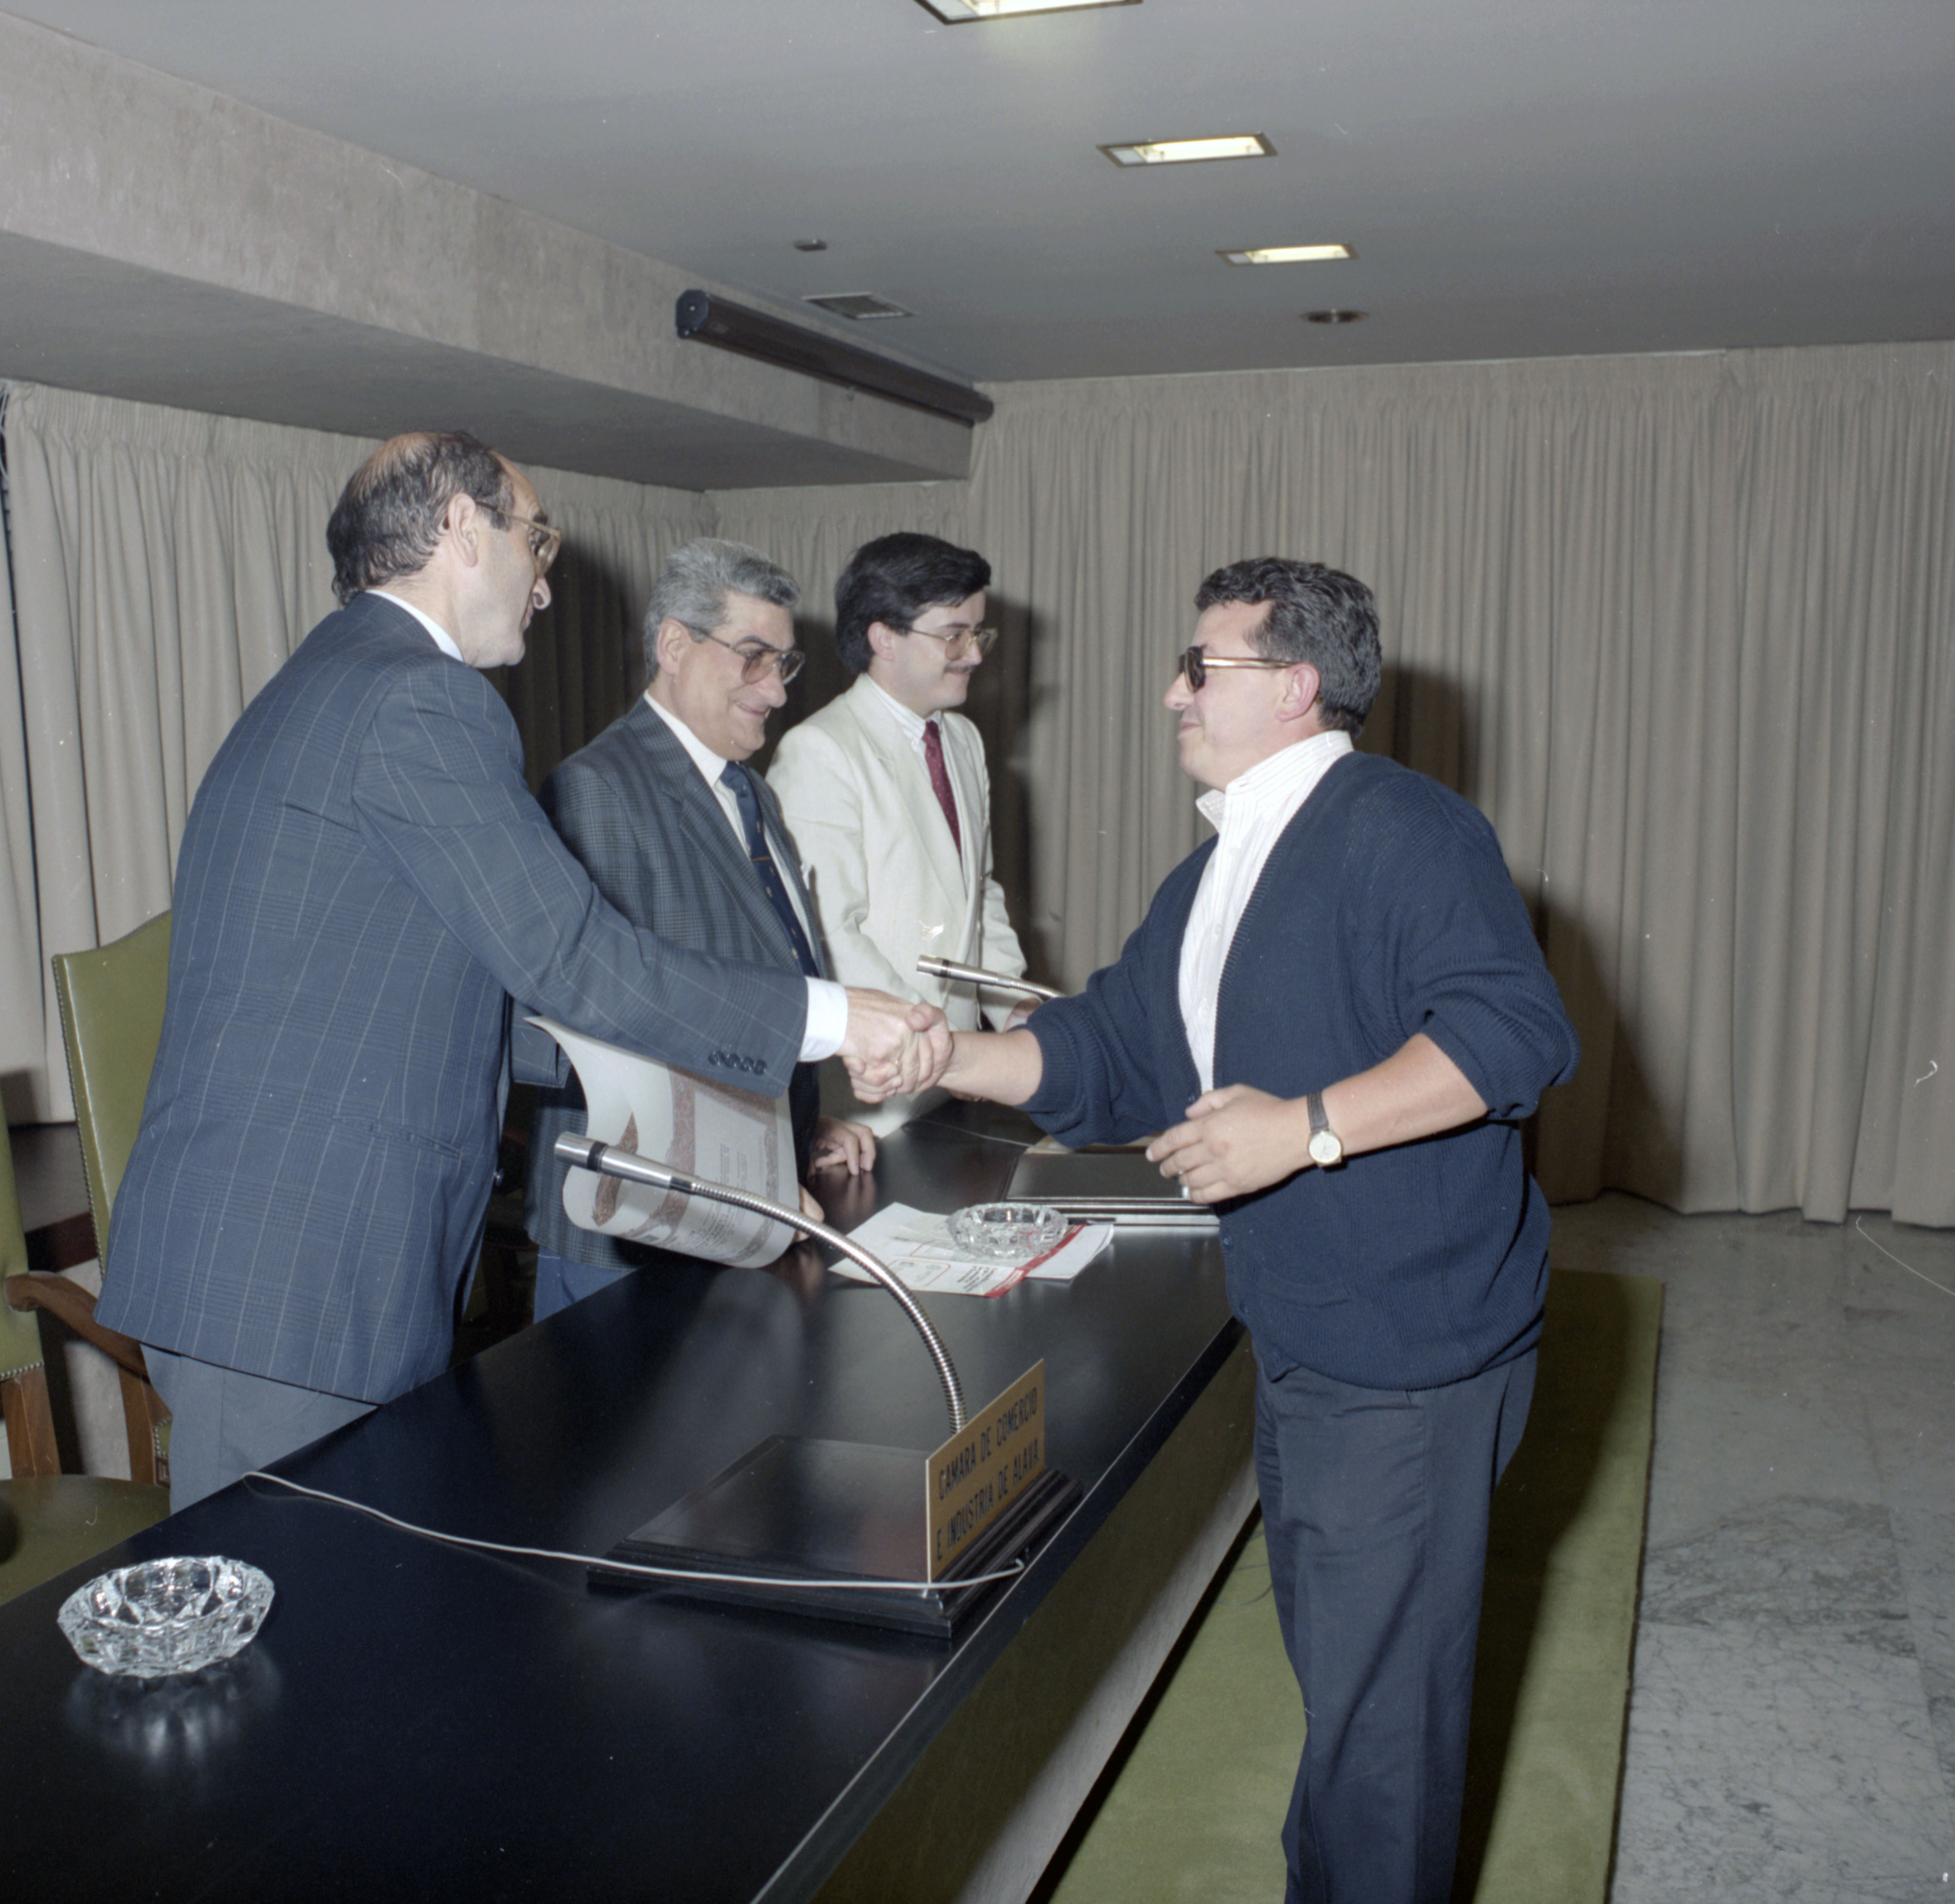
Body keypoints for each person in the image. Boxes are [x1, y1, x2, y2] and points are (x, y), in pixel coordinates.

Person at [96, 433, 947, 1507]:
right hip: (296, 1274)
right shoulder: (421, 696)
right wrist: (828, 1019)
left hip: (275, 1260)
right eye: (534, 541)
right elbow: (571, 956)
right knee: (288, 1601)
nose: (543, 585)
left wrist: (699, 1101)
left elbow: (438, 997)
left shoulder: (334, 678)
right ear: (461, 529)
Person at [934, 559, 1577, 1904]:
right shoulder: (1217, 869)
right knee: (1347, 1680)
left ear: (1294, 686)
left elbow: (1512, 1033)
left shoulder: (1403, 826)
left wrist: (1305, 1129)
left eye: (1200, 666)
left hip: (1409, 1349)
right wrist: (941, 1052)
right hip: (1306, 1332)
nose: (1171, 691)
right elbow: (1107, 1049)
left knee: (1380, 1724)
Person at [523, 539, 878, 1320]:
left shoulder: (751, 792)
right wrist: (748, 1178)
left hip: (737, 1210)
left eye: (784, 664)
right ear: (674, 646)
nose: (776, 691)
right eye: (753, 658)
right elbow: (617, 1026)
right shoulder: (597, 788)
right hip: (632, 1236)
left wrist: (796, 1126)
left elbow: (744, 991)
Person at [768, 531, 1027, 1132]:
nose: (974, 655)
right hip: (875, 1097)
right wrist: (933, 1042)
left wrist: (1016, 1007)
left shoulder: (962, 740)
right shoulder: (820, 750)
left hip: (955, 1076)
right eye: (954, 635)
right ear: (884, 637)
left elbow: (977, 897)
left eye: (978, 633)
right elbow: (829, 933)